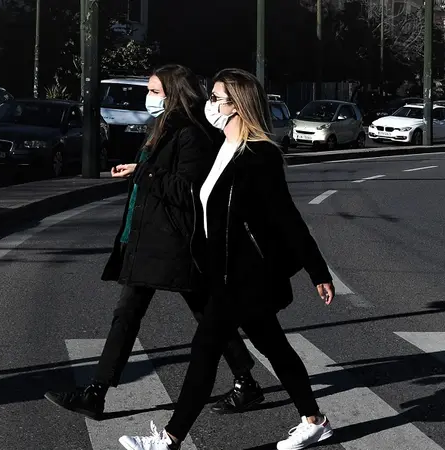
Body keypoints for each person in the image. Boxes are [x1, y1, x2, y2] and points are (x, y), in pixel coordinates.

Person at [118, 68, 336, 450]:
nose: (210, 104)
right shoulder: (222, 147)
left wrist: (318, 271)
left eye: (216, 98)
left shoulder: (260, 155)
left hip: (244, 275)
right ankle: (314, 420)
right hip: (220, 272)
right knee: (274, 347)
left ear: (236, 106)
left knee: (204, 351)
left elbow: (287, 218)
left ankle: (168, 440)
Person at [44, 65, 264, 420]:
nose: (148, 98)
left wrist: (143, 172)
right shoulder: (164, 127)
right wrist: (139, 170)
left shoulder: (191, 134)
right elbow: (163, 177)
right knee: (153, 311)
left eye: (154, 91)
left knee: (159, 312)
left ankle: (97, 393)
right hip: (150, 236)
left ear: (174, 94)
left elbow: (187, 188)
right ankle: (98, 392)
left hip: (171, 240)